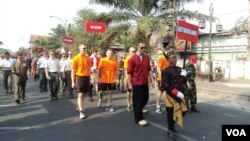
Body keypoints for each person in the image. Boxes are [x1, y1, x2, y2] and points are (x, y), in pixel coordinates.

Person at [161, 50, 191, 140]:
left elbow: (184, 80)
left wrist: (187, 82)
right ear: (168, 60)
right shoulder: (165, 71)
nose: (175, 59)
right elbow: (165, 85)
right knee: (170, 114)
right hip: (171, 95)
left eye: (175, 57)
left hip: (181, 94)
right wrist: (176, 93)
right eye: (173, 57)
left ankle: (173, 125)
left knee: (184, 111)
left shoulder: (180, 69)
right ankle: (170, 130)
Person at [127, 42, 154, 126]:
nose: (143, 49)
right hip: (136, 82)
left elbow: (149, 69)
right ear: (137, 47)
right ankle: (139, 118)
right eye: (141, 47)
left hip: (145, 82)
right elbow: (129, 73)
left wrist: (152, 80)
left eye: (144, 47)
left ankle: (137, 109)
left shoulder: (146, 58)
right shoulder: (132, 59)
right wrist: (129, 84)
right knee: (138, 101)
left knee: (145, 98)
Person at [71, 44, 91, 119]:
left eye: (85, 48)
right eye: (83, 48)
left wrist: (90, 79)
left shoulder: (88, 58)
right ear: (79, 49)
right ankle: (81, 111)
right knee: (80, 94)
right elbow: (73, 71)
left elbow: (89, 69)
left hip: (86, 77)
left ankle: (79, 106)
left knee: (83, 94)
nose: (84, 49)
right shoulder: (75, 58)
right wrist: (73, 81)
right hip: (79, 77)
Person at [155, 42, 173, 114]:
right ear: (167, 50)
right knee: (160, 91)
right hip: (162, 78)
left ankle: (169, 106)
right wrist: (163, 77)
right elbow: (158, 69)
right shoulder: (162, 58)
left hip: (169, 78)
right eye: (171, 51)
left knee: (169, 92)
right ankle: (158, 107)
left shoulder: (170, 58)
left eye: (172, 51)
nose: (172, 52)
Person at [123, 47, 136, 112]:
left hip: (136, 77)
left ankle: (135, 105)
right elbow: (125, 70)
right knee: (129, 91)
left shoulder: (136, 58)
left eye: (134, 51)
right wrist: (127, 79)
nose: (134, 52)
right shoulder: (127, 59)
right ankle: (128, 105)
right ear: (129, 52)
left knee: (136, 91)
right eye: (132, 51)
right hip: (130, 77)